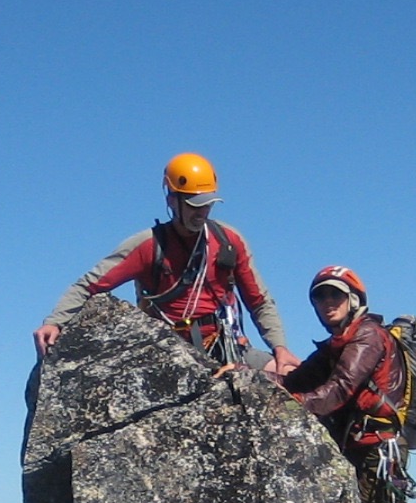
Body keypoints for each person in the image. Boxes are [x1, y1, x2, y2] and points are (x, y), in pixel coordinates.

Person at [35, 153, 298, 373]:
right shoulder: (148, 246)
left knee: (291, 376)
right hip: (169, 352)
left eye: (207, 204)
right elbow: (89, 285)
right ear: (172, 200)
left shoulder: (229, 241)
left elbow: (259, 301)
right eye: (194, 205)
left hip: (227, 346)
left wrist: (280, 348)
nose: (202, 212)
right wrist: (55, 322)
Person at [283, 265, 415, 503]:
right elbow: (293, 381)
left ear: (353, 300)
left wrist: (290, 405)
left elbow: (340, 388)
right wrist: (242, 375)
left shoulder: (368, 336)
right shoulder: (336, 346)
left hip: (378, 449)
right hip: (357, 445)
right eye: (320, 297)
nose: (328, 302)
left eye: (336, 295)